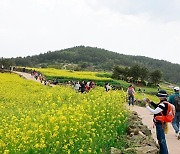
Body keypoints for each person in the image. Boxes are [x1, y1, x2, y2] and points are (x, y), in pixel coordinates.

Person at [145, 90, 169, 154]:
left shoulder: (163, 104)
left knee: (161, 139)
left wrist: (147, 106)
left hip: (160, 123)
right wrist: (150, 102)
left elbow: (155, 111)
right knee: (160, 138)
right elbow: (157, 107)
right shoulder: (164, 103)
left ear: (161, 97)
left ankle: (164, 152)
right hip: (161, 123)